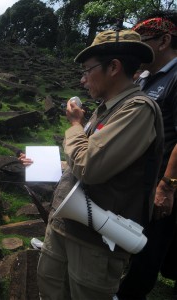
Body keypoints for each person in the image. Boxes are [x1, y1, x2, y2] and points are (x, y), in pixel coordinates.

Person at [36, 30, 164, 299]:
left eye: (88, 69)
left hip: (92, 243)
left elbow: (89, 167)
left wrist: (74, 125)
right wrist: (55, 163)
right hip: (65, 225)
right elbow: (89, 161)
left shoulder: (137, 110)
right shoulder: (105, 108)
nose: (83, 80)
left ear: (114, 67)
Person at [117, 12, 177, 299]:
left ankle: (129, 295)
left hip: (163, 182)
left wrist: (167, 184)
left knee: (150, 247)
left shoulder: (176, 78)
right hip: (140, 179)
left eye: (142, 42)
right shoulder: (144, 79)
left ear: (164, 40)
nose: (136, 50)